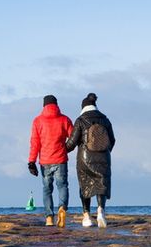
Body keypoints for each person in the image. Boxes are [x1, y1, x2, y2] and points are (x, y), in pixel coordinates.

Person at [66, 93, 115, 228]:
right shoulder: (105, 120)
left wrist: (61, 149)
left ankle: (86, 216)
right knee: (101, 184)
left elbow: (72, 143)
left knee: (85, 184)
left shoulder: (81, 120)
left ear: (83, 107)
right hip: (104, 158)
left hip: (85, 159)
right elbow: (112, 140)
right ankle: (101, 211)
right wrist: (105, 152)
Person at [28, 95, 73, 227]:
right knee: (62, 186)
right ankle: (62, 208)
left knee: (47, 189)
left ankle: (49, 218)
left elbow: (35, 143)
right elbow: (73, 138)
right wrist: (65, 149)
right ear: (56, 105)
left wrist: (31, 161)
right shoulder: (64, 119)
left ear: (44, 106)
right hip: (60, 160)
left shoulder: (38, 121)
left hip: (45, 161)